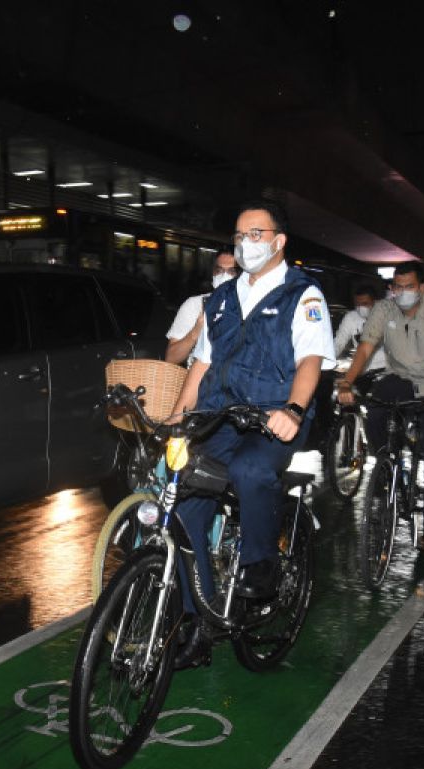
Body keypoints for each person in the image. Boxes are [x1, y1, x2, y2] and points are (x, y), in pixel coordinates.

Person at [167, 200, 334, 668]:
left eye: (256, 234)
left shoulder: (303, 295)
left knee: (250, 467)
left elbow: (310, 362)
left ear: (280, 241)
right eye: (240, 236)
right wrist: (179, 419)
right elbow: (201, 365)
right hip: (221, 414)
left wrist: (295, 410)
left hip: (274, 416)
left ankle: (261, 567)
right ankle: (195, 623)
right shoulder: (219, 300)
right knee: (184, 507)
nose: (246, 244)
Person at [336, 262, 424, 550]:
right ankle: (388, 463)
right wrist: (346, 383)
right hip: (399, 377)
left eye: (409, 287)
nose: (402, 292)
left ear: (422, 288)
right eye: (397, 287)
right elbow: (365, 347)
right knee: (375, 412)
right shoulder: (383, 309)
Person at [165, 252, 239, 365]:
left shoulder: (249, 308)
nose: (224, 276)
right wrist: (196, 330)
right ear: (213, 274)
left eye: (231, 271)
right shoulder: (195, 305)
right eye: (219, 271)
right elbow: (171, 358)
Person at [333, 283, 386, 383]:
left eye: (365, 303)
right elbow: (339, 342)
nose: (361, 307)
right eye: (357, 304)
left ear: (375, 302)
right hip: (363, 372)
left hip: (385, 370)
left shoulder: (387, 317)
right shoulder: (351, 318)